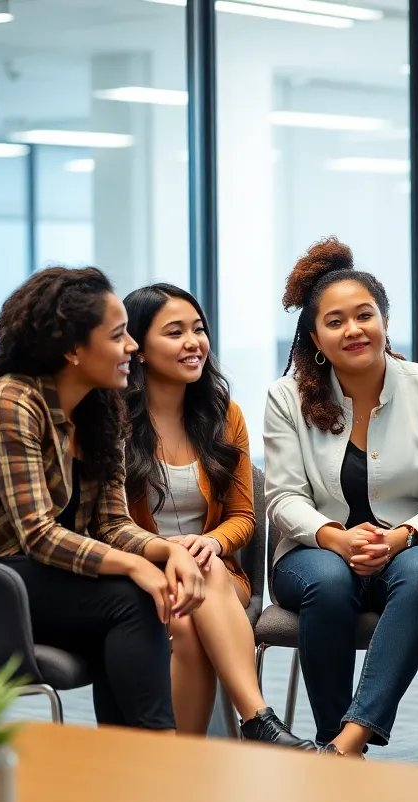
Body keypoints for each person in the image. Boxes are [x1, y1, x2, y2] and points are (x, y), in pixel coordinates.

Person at [0, 267, 205, 731]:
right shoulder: (12, 403)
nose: (132, 348)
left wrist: (167, 552)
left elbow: (110, 525)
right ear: (72, 349)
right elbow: (40, 535)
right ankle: (156, 752)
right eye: (118, 335)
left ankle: (134, 769)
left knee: (131, 600)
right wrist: (136, 566)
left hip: (17, 572)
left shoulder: (101, 409)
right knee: (131, 594)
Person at [266, 238, 418, 757]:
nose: (353, 330)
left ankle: (346, 741)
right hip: (316, 553)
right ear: (314, 336)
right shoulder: (287, 398)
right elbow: (283, 497)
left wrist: (402, 537)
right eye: (335, 322)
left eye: (364, 315)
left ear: (384, 321)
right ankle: (332, 737)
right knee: (330, 582)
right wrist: (335, 539)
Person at [123, 283, 312, 748]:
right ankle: (254, 721)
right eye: (175, 332)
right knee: (185, 623)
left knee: (201, 569)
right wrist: (167, 552)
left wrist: (211, 543)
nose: (194, 342)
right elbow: (103, 524)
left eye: (199, 329)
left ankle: (190, 755)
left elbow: (244, 515)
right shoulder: (114, 422)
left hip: (217, 572)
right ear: (139, 349)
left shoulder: (224, 415)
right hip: (138, 572)